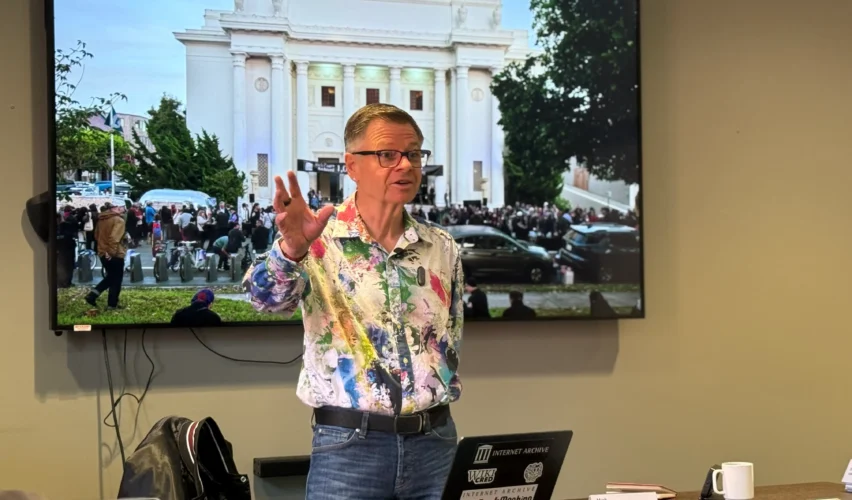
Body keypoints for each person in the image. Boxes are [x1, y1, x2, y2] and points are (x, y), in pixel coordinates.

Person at [243, 103, 464, 500]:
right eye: (387, 154)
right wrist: (290, 251)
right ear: (351, 165)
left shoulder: (441, 247)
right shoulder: (317, 239)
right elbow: (263, 301)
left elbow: (451, 335)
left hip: (436, 444)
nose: (405, 165)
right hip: (349, 447)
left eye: (413, 154)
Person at [85, 203, 126, 309]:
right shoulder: (118, 220)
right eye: (119, 206)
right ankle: (95, 296)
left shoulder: (102, 219)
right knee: (115, 278)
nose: (122, 208)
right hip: (114, 253)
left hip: (102, 252)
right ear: (113, 208)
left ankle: (111, 303)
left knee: (112, 277)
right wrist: (111, 253)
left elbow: (96, 236)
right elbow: (114, 238)